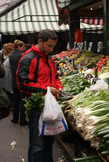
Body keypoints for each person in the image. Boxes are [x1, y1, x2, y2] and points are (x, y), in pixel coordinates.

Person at [16, 29, 63, 162]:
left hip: (50, 106)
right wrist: (47, 89)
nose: (51, 49)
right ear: (40, 41)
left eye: (53, 46)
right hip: (36, 107)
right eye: (49, 45)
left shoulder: (50, 59)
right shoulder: (28, 58)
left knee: (49, 143)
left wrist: (59, 87)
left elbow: (55, 77)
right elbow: (23, 84)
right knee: (37, 145)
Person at [9, 40, 28, 126]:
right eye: (23, 47)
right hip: (21, 80)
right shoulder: (21, 55)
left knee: (16, 100)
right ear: (19, 47)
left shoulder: (10, 55)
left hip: (14, 80)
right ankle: (22, 120)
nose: (24, 49)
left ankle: (15, 118)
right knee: (23, 100)